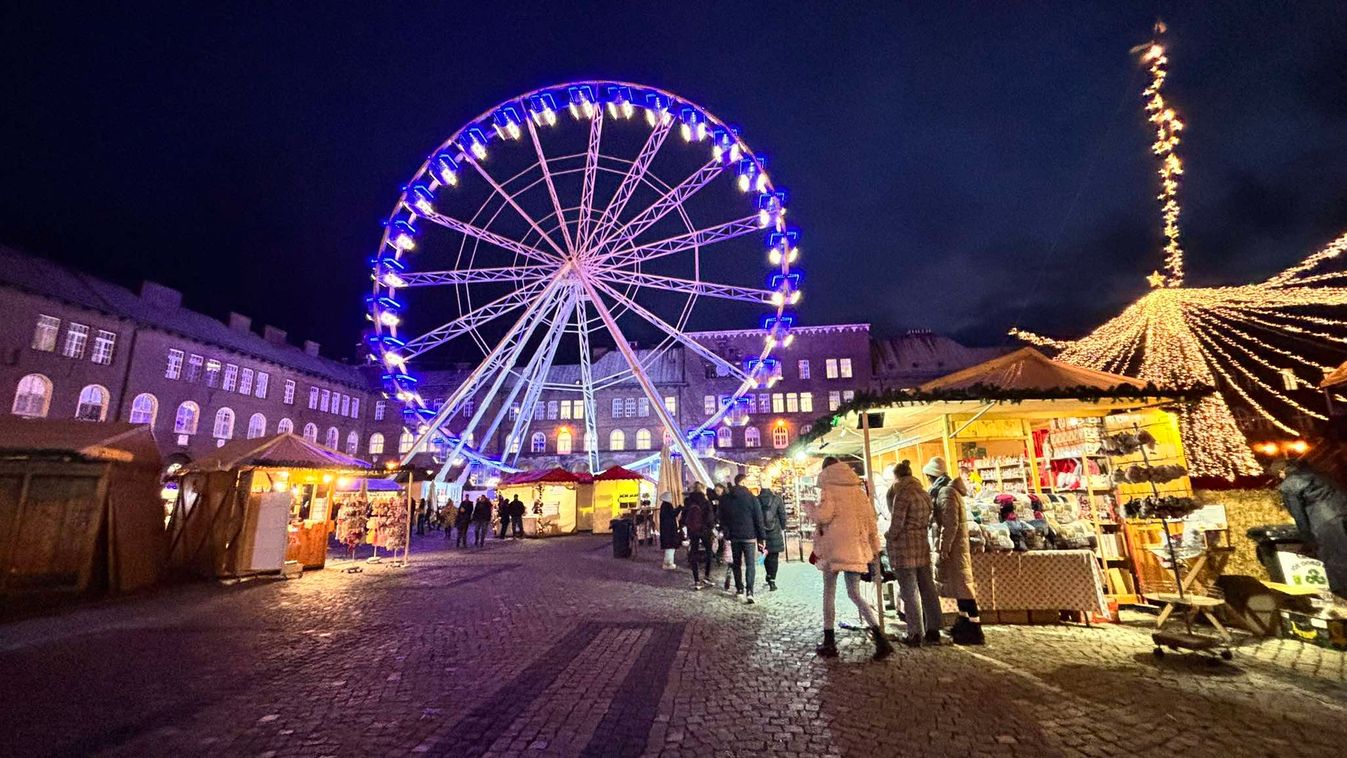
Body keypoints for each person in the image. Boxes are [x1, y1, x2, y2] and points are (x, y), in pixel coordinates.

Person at [811, 457, 893, 661]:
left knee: (829, 593)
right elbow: (869, 519)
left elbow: (824, 516)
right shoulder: (858, 490)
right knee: (855, 593)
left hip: (834, 549)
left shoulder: (829, 489)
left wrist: (810, 509)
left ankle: (829, 641)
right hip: (855, 547)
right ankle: (880, 637)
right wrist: (874, 548)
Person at [924, 457, 983, 645]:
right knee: (960, 587)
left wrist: (944, 546)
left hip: (955, 548)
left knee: (963, 587)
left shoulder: (945, 493)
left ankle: (974, 628)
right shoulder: (948, 491)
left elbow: (949, 523)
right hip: (956, 546)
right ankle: (964, 622)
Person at [886, 460, 944, 647]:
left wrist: (888, 536)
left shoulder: (902, 494)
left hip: (905, 549)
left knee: (909, 591)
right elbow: (929, 519)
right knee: (928, 589)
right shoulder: (923, 493)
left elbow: (897, 523)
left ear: (897, 477)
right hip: (922, 545)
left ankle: (915, 632)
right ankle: (934, 629)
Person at [1274, 452, 1347, 598]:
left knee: (1336, 560)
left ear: (1282, 471)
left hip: (1326, 523)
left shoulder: (1289, 485)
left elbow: (1299, 515)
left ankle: (1343, 597)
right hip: (1343, 513)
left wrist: (1308, 540)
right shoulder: (1319, 473)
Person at [719, 474, 766, 603]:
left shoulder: (727, 499)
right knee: (750, 564)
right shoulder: (752, 498)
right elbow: (759, 519)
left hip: (734, 536)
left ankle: (739, 588)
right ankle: (749, 591)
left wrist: (727, 531)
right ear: (743, 482)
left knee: (737, 563)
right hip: (749, 536)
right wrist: (761, 538)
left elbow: (722, 517)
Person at [680, 482, 716, 589]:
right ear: (703, 489)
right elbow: (710, 518)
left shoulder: (688, 501)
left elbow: (684, 516)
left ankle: (696, 580)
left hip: (693, 530)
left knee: (693, 553)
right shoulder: (706, 501)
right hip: (705, 530)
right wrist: (710, 528)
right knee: (709, 552)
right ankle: (707, 576)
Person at [758, 486, 787, 591]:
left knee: (765, 554)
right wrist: (783, 527)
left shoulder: (756, 499)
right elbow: (782, 515)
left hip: (762, 533)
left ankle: (768, 574)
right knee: (774, 557)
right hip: (775, 531)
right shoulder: (777, 499)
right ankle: (772, 580)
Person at [659, 492, 681, 570]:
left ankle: (668, 563)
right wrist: (679, 508)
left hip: (666, 530)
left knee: (669, 547)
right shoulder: (667, 506)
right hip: (669, 530)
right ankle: (668, 563)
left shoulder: (664, 506)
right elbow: (673, 514)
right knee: (670, 547)